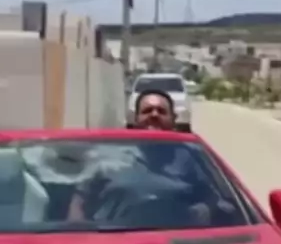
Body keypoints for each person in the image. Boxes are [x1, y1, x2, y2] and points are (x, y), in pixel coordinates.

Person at [67, 89, 234, 225]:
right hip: (111, 241)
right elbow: (79, 202)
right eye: (147, 110)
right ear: (135, 119)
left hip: (176, 242)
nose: (154, 115)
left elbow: (214, 199)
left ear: (173, 119)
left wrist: (203, 211)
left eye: (161, 111)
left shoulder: (191, 157)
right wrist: (79, 236)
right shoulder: (106, 156)